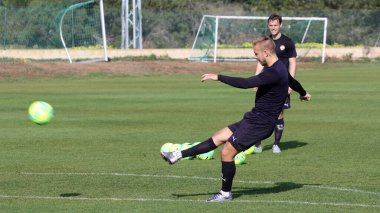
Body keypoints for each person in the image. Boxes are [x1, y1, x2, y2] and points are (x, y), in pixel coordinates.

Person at [161, 36, 311, 202]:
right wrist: (304, 94)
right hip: (253, 117)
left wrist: (218, 77)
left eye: (256, 53)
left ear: (266, 52)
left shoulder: (273, 72)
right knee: (218, 137)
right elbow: (293, 81)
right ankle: (177, 155)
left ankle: (225, 194)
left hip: (260, 124)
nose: (255, 57)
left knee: (226, 153)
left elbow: (246, 83)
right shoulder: (281, 68)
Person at [254, 13, 298, 154]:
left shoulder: (288, 42)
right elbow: (260, 62)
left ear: (280, 25)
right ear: (268, 25)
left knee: (278, 114)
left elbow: (292, 63)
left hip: (281, 84)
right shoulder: (265, 42)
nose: (273, 28)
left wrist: (291, 84)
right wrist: (255, 79)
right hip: (266, 82)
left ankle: (276, 144)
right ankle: (257, 144)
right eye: (271, 25)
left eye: (275, 25)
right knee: (260, 112)